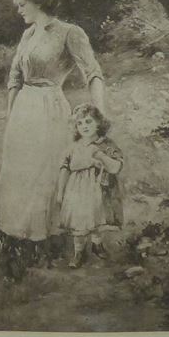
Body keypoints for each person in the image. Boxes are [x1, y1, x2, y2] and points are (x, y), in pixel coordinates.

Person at [0, 0, 107, 244]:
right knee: (22, 168)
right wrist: (11, 115)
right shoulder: (28, 34)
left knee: (46, 168)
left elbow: (93, 72)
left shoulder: (70, 32)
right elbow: (14, 77)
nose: (19, 10)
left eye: (23, 5)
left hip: (50, 106)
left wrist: (100, 112)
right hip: (24, 108)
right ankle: (19, 231)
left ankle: (51, 233)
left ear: (38, 3)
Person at [55, 104, 124, 268]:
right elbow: (64, 169)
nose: (84, 126)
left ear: (98, 123)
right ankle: (79, 252)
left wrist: (99, 155)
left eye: (88, 122)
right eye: (80, 123)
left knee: (97, 218)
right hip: (77, 192)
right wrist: (60, 192)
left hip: (99, 190)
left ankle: (97, 244)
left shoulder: (105, 144)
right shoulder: (73, 147)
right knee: (79, 222)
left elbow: (116, 167)